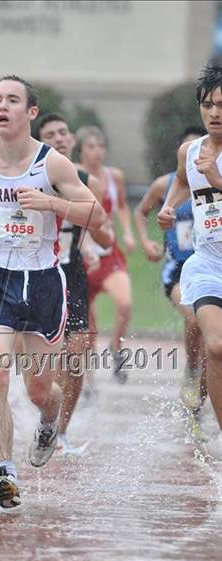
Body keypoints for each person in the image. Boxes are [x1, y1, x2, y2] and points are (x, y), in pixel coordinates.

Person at [0, 75, 106, 508]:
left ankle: (49, 420)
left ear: (30, 112)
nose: (3, 107)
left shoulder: (51, 163)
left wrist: (52, 203)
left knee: (40, 390)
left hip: (42, 284)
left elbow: (96, 213)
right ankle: (4, 474)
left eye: (12, 100)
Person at [35, 112, 112, 453]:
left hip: (73, 276)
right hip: (39, 277)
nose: (59, 138)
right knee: (46, 364)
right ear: (39, 141)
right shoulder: (29, 177)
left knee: (77, 355)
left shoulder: (86, 180)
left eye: (63, 132)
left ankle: (61, 431)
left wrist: (94, 242)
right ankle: (47, 420)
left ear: (72, 139)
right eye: (50, 134)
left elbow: (105, 234)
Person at [158, 58, 222, 454]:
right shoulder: (191, 151)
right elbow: (183, 181)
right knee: (215, 347)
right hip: (208, 263)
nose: (214, 113)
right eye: (208, 105)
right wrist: (168, 207)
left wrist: (219, 180)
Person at [135, 126, 207, 419]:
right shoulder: (164, 185)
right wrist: (146, 241)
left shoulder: (214, 182)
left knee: (211, 338)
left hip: (209, 264)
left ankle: (200, 398)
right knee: (193, 316)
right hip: (177, 270)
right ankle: (191, 369)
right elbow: (141, 212)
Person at [76, 125, 135, 385]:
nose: (97, 152)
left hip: (109, 253)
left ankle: (116, 348)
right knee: (87, 326)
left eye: (101, 146)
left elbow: (121, 206)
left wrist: (128, 233)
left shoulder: (114, 177)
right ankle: (87, 381)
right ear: (81, 149)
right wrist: (85, 246)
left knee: (124, 303)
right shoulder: (73, 175)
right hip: (82, 257)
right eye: (91, 147)